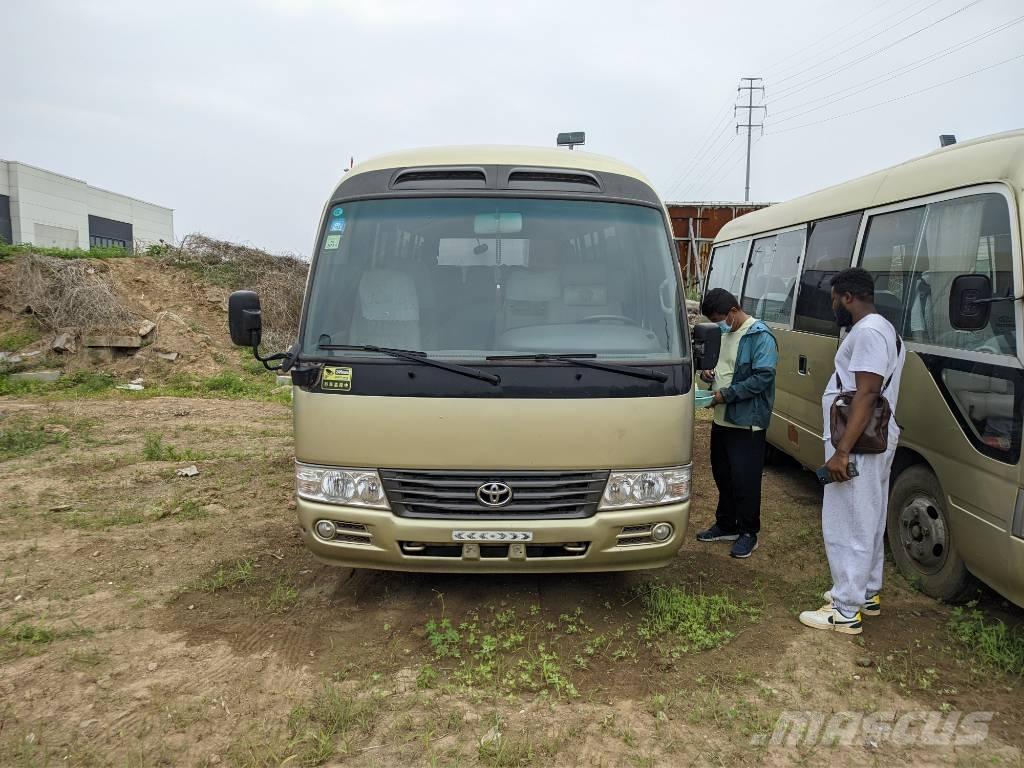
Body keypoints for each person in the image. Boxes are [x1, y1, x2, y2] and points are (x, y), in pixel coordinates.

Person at [800, 267, 906, 635]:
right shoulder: (878, 329)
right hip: (867, 440)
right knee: (869, 517)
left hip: (858, 443)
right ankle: (868, 593)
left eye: (834, 299)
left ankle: (845, 610)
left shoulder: (870, 331)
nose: (833, 306)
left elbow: (866, 393)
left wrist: (842, 451)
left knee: (849, 522)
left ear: (847, 297)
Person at [695, 288, 778, 558]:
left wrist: (725, 395)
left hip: (746, 423)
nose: (719, 323)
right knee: (723, 474)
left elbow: (762, 379)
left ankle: (748, 532)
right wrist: (710, 375)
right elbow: (723, 369)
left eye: (720, 318)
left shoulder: (760, 336)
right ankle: (726, 524)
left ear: (733, 311)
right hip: (722, 419)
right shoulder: (724, 334)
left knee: (746, 480)